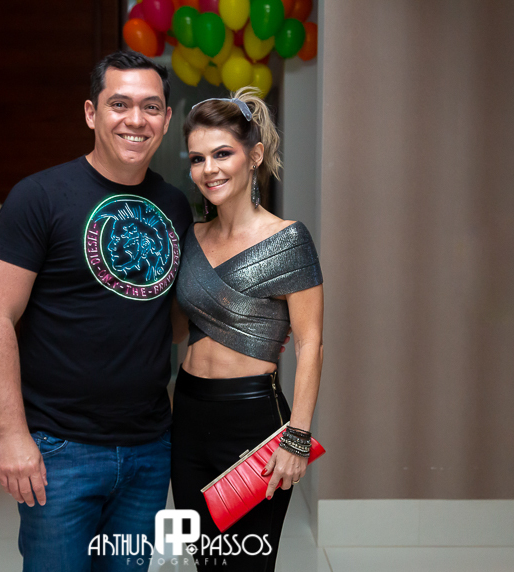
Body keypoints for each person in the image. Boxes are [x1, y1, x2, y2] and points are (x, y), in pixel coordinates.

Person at [0, 51, 192, 571]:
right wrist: (12, 435)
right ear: (91, 113)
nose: (136, 120)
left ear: (166, 119)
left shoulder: (176, 205)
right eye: (119, 104)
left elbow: (174, 322)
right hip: (59, 447)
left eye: (150, 107)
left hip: (148, 447)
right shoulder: (39, 196)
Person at [172, 88, 324, 572]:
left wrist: (297, 438)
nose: (208, 169)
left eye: (222, 154)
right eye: (198, 159)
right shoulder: (190, 236)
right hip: (187, 415)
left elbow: (310, 343)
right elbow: (177, 329)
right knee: (205, 561)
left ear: (254, 156)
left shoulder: (289, 239)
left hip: (252, 423)